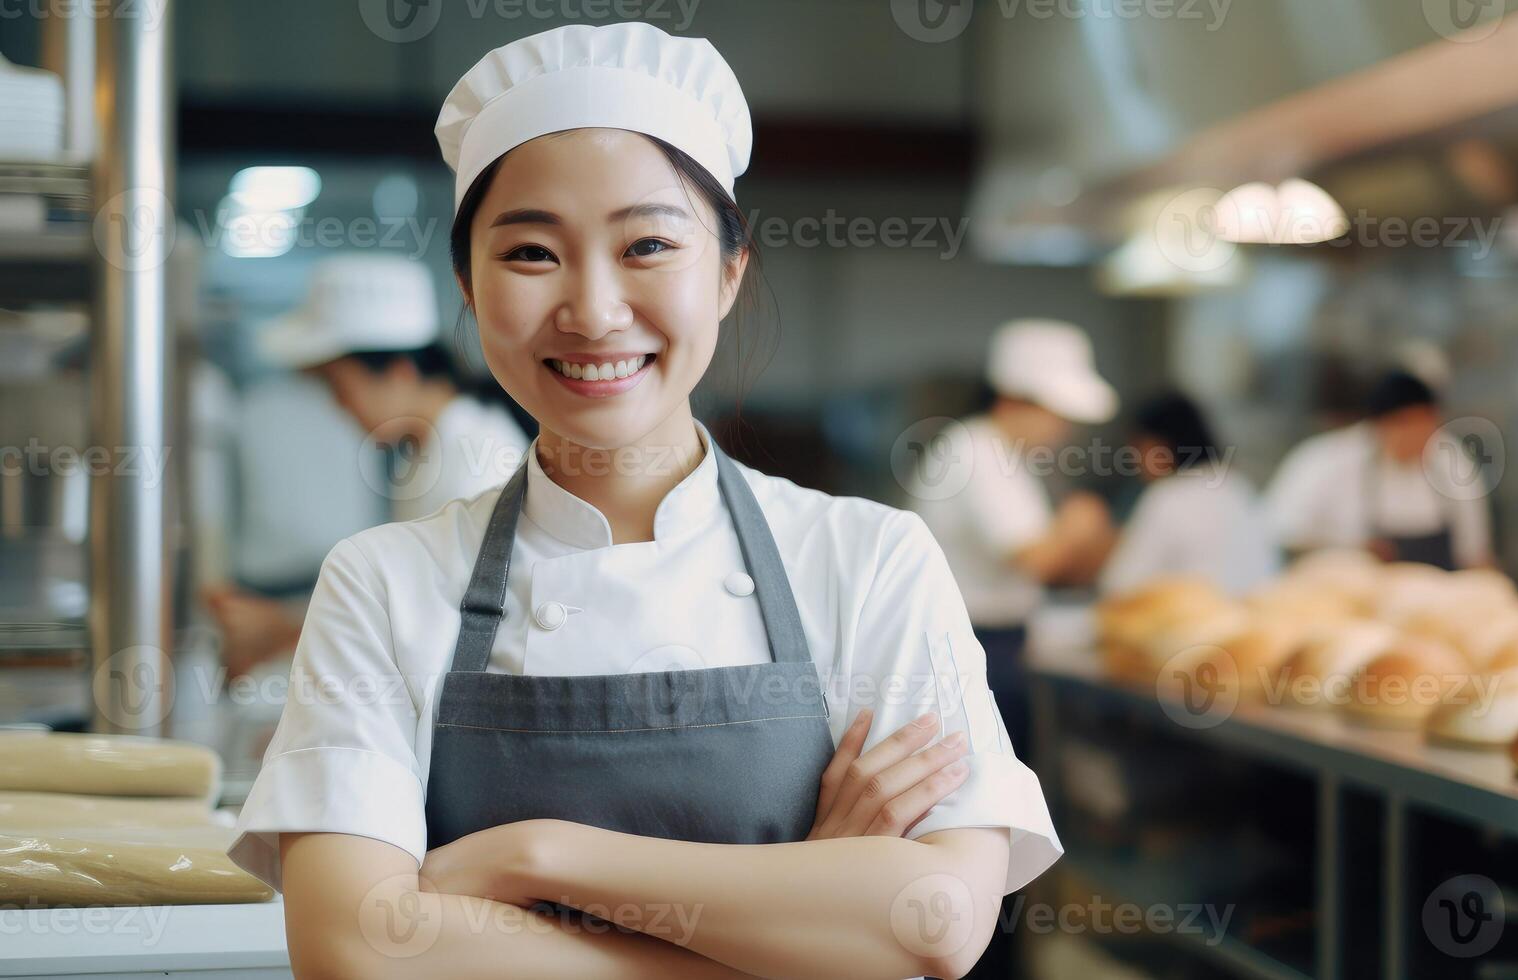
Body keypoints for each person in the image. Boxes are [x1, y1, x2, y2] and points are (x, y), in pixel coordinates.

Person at [225, 23, 1061, 980]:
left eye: (649, 245)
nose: (592, 309)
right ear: (468, 285)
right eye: (532, 252)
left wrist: (532, 855)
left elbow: (934, 922)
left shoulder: (869, 560)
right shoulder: (379, 584)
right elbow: (354, 950)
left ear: (729, 274)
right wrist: (804, 917)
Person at [203, 253, 533, 680]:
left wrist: (283, 629)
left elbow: (443, 628)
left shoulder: (474, 459)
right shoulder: (426, 451)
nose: (339, 408)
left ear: (398, 372)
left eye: (339, 388)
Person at [905, 318, 1119, 767]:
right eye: (1056, 415)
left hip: (1002, 639)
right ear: (1014, 400)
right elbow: (1036, 559)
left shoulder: (1008, 457)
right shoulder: (976, 452)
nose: (1063, 430)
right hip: (975, 642)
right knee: (986, 772)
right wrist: (1080, 524)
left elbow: (1062, 563)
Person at [1264, 369, 1493, 570]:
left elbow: (1475, 556)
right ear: (1378, 425)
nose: (1418, 438)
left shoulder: (1454, 461)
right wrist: (1351, 553)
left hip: (1440, 603)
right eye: (1404, 425)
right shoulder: (1324, 463)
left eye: (1426, 426)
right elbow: (1285, 541)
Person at [1098, 392, 1280, 597]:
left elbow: (1120, 584)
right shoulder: (1238, 487)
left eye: (1137, 449)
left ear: (1159, 446)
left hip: (1195, 620)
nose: (1134, 461)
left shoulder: (1169, 496)